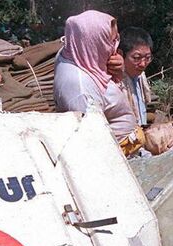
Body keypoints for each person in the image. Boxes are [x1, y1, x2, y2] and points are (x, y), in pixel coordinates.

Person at [53, 10, 142, 156]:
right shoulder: (79, 90)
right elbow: (90, 143)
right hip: (111, 158)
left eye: (116, 39)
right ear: (93, 43)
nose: (115, 47)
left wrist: (117, 73)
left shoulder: (80, 55)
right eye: (111, 41)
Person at [118, 26, 152, 127]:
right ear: (120, 54)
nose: (143, 64)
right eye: (136, 58)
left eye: (147, 58)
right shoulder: (117, 83)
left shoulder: (141, 79)